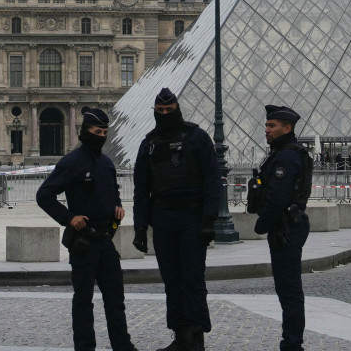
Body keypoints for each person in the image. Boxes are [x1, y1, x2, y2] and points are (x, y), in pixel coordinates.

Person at [36, 107, 137, 351]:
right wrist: (68, 218)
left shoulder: (107, 162)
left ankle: (122, 346)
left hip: (106, 241)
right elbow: (44, 194)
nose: (101, 135)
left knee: (116, 299)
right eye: (96, 131)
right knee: (84, 300)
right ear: (85, 132)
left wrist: (118, 205)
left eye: (104, 132)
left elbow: (113, 191)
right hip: (84, 243)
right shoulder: (72, 162)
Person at [132, 88, 220, 351]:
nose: (166, 115)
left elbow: (212, 180)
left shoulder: (198, 138)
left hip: (192, 217)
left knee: (193, 278)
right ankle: (181, 336)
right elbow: (141, 189)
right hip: (163, 218)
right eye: (161, 112)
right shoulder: (148, 144)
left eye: (170, 111)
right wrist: (139, 228)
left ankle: (196, 337)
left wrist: (209, 220)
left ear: (178, 109)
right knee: (172, 280)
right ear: (155, 112)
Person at [250, 105, 313, 351]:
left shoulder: (286, 156)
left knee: (288, 290)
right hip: (287, 225)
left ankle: (292, 345)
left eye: (272, 126)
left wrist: (260, 225)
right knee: (287, 288)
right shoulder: (283, 152)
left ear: (287, 128)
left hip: (286, 227)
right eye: (267, 125)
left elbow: (278, 197)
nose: (267, 130)